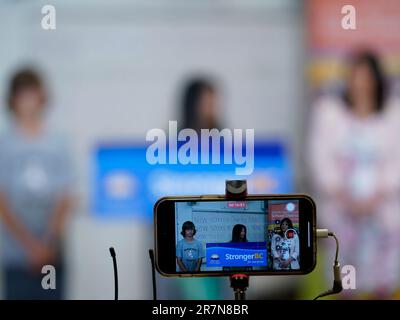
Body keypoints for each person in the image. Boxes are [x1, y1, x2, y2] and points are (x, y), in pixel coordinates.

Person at [308, 51, 400, 298]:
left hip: (382, 215)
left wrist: (377, 196)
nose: (361, 84)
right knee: (343, 283)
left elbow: (396, 162)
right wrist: (342, 193)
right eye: (356, 77)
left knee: (383, 282)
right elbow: (320, 158)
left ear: (377, 81)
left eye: (367, 78)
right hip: (342, 213)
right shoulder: (330, 114)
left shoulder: (393, 116)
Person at [0, 68, 73, 299]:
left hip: (52, 254)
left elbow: (65, 197)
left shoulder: (58, 143)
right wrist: (30, 246)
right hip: (16, 256)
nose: (28, 102)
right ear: (13, 100)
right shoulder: (5, 144)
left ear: (42, 97)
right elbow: (2, 201)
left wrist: (48, 243)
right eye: (22, 95)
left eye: (32, 94)